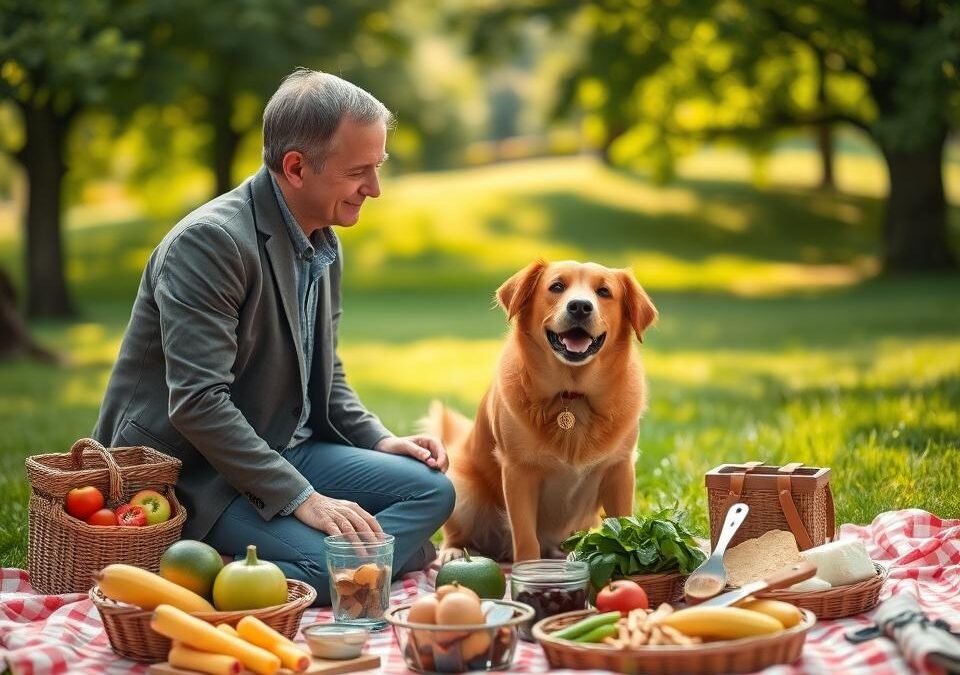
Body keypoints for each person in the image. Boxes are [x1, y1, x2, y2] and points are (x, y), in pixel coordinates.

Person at [94, 69, 456, 604]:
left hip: (285, 447)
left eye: (376, 168)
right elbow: (198, 403)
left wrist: (380, 440)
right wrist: (302, 498)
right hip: (201, 475)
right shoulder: (211, 244)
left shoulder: (322, 238)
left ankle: (358, 562)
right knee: (328, 567)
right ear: (295, 167)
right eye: (360, 171)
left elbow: (325, 372)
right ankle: (217, 570)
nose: (374, 189)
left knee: (432, 489)